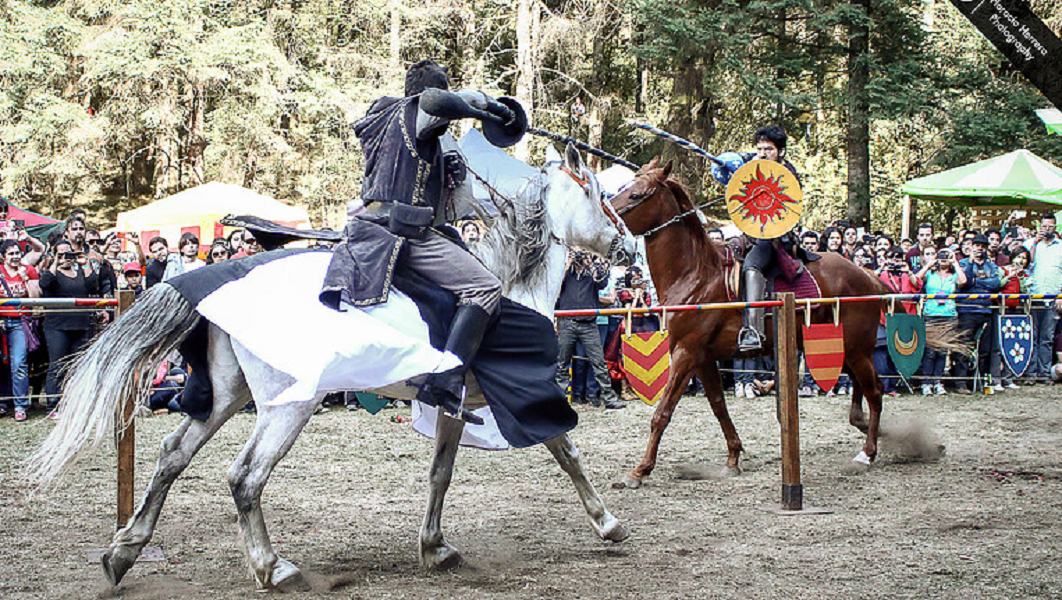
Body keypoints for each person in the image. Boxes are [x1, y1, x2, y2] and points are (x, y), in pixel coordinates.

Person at [320, 59, 522, 424]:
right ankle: (446, 379)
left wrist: (447, 174)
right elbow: (433, 100)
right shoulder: (416, 111)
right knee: (485, 287)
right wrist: (487, 106)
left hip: (370, 225)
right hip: (405, 233)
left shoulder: (381, 115)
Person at [736, 125, 804, 351]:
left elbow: (786, 213)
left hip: (775, 237)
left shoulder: (788, 175)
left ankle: (753, 331)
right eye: (759, 149)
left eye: (769, 149)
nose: (763, 154)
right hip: (750, 232)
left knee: (752, 265)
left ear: (781, 152)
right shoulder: (754, 167)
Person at [39, 240, 102, 417]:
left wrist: (84, 263)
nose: (66, 258)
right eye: (61, 254)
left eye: (69, 254)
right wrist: (55, 262)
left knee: (77, 366)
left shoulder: (80, 271)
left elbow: (93, 286)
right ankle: (53, 404)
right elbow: (44, 283)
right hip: (57, 327)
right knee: (57, 365)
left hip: (81, 325)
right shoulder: (52, 272)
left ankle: (74, 403)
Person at [555, 249, 623, 410]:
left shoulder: (594, 270)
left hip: (588, 323)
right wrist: (567, 265)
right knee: (562, 363)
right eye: (576, 252)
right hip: (567, 321)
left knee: (598, 361)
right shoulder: (564, 270)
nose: (579, 256)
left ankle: (609, 397)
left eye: (583, 252)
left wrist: (590, 264)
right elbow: (555, 285)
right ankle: (559, 400)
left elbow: (602, 283)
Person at [911, 245, 966, 395]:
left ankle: (938, 381)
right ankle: (926, 382)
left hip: (948, 315)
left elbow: (963, 281)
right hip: (931, 314)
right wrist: (929, 264)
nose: (943, 259)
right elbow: (916, 280)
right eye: (941, 256)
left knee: (942, 351)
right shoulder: (930, 274)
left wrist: (955, 262)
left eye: (946, 256)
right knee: (929, 351)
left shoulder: (953, 276)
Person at [953, 233, 1002, 394]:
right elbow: (964, 284)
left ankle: (981, 382)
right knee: (963, 347)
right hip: (967, 310)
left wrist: (976, 282)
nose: (979, 249)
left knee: (985, 350)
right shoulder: (964, 263)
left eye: (982, 246)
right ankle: (961, 382)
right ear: (971, 246)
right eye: (976, 246)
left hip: (986, 311)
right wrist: (972, 265)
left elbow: (995, 284)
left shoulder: (992, 266)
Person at [0, 240, 40, 421]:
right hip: (0, 321)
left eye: (17, 253)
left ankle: (20, 405)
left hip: (19, 322)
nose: (15, 257)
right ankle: (3, 402)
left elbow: (35, 299)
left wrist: (25, 278)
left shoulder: (28, 270)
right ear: (3, 257)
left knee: (19, 364)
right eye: (11, 254)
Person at [1026, 214, 1062, 384]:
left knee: (1047, 338)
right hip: (1034, 297)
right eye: (1044, 226)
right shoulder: (1033, 245)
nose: (1047, 230)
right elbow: (1028, 264)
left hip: (1052, 298)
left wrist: (1061, 296)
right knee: (1031, 337)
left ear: (1055, 228)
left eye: (1050, 227)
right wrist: (1034, 243)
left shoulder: (1060, 247)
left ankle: (1044, 373)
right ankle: (1030, 373)